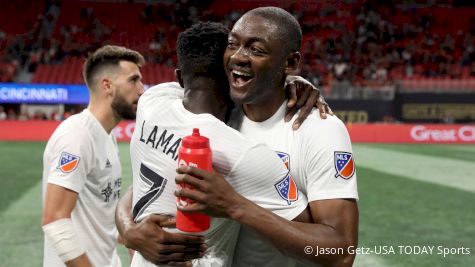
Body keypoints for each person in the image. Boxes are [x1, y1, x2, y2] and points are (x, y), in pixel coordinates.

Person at [176, 7, 358, 267]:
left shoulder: (320, 130)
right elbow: (149, 182)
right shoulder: (218, 114)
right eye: (233, 45)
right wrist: (129, 229)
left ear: (291, 63)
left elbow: (340, 253)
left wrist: (235, 206)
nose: (238, 56)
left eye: (256, 49)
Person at [121, 21, 310, 267]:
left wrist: (128, 230)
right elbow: (312, 239)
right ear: (233, 75)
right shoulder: (242, 153)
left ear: (179, 76)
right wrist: (236, 206)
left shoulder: (152, 101)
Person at [41, 45, 146, 267]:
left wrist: (129, 239)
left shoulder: (107, 136)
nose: (141, 89)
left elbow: (99, 214)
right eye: (133, 80)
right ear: (107, 86)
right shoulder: (76, 137)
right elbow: (55, 221)